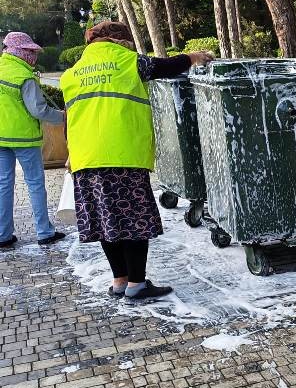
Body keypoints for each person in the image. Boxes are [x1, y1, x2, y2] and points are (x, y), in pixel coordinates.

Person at [59, 21, 214, 302]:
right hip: (122, 155)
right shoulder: (127, 61)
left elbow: (69, 116)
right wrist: (193, 57)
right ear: (120, 40)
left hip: (85, 159)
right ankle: (137, 284)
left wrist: (71, 152)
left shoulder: (72, 73)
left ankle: (120, 281)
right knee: (132, 221)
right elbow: (165, 67)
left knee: (107, 221)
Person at [0, 32, 67, 248]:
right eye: (30, 51)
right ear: (20, 51)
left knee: (3, 185)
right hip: (24, 139)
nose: (34, 56)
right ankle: (44, 232)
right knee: (35, 184)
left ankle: (2, 235)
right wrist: (63, 117)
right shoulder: (23, 76)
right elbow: (38, 110)